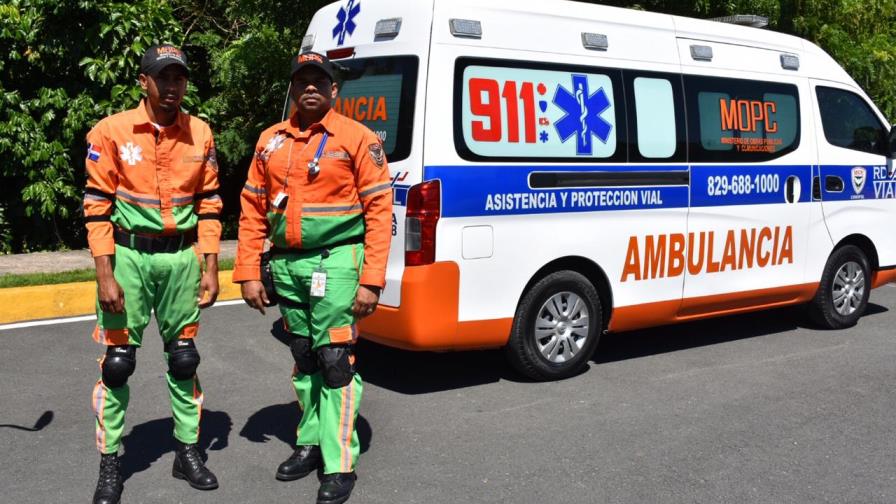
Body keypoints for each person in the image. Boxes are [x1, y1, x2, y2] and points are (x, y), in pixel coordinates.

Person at [233, 51, 393, 504]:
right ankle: (308, 442)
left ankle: (339, 462)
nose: (310, 87)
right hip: (286, 265)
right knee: (303, 356)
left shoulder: (357, 139)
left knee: (334, 360)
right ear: (292, 87)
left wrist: (371, 280)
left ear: (333, 90)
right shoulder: (270, 141)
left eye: (318, 81)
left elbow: (380, 213)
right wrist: (248, 271)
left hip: (337, 262)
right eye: (302, 80)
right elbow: (251, 211)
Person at [83, 44, 222, 504]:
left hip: (181, 260)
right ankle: (110, 462)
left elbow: (209, 204)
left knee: (184, 358)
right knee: (118, 365)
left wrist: (210, 265)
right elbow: (97, 208)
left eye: (178, 78)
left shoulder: (200, 133)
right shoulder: (110, 132)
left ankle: (187, 451)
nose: (172, 87)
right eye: (162, 77)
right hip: (128, 259)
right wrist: (105, 274)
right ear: (143, 81)